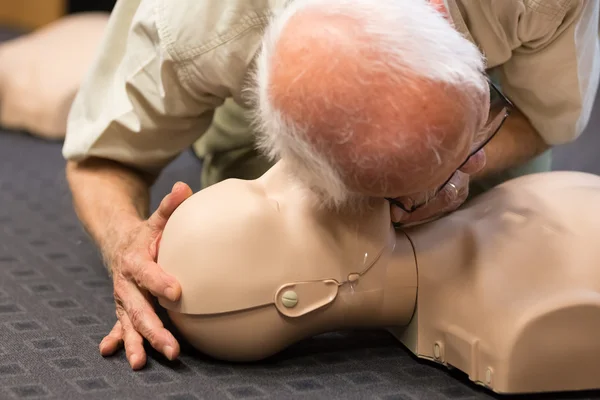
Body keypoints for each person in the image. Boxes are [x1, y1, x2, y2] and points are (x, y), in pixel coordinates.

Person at [61, 0, 599, 370]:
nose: (398, 210)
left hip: (491, 97)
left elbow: (544, 116)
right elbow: (100, 157)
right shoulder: (201, 25)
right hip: (252, 80)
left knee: (519, 253)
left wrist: (469, 161)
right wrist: (123, 244)